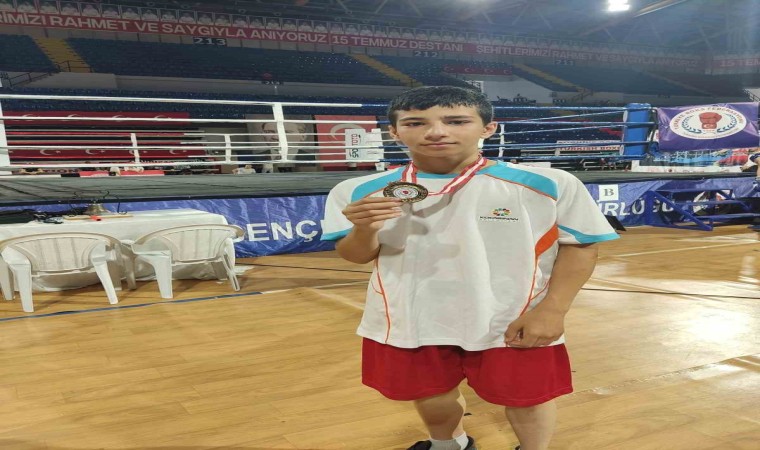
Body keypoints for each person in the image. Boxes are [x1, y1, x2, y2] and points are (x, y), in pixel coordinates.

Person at [321, 86, 618, 450]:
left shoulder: (549, 184)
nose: (436, 132)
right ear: (394, 132)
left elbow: (581, 246)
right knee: (431, 393)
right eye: (415, 123)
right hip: (407, 315)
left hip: (512, 316)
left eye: (456, 121)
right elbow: (355, 255)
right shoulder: (357, 190)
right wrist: (365, 229)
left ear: (488, 128)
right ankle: (449, 445)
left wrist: (553, 310)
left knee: (527, 398)